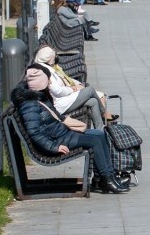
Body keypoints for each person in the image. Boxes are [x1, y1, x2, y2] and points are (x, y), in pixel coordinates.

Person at [12, 66, 128, 194]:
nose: (50, 83)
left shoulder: (40, 97)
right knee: (94, 140)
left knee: (99, 134)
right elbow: (34, 133)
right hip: (57, 141)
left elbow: (55, 116)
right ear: (41, 84)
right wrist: (53, 147)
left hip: (61, 134)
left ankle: (103, 177)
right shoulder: (30, 105)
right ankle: (107, 180)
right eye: (48, 80)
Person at [34, 46, 117, 129]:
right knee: (90, 90)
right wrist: (72, 89)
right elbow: (58, 91)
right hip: (60, 104)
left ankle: (99, 132)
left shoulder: (44, 68)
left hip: (63, 99)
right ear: (49, 58)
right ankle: (104, 114)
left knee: (93, 101)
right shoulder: (47, 71)